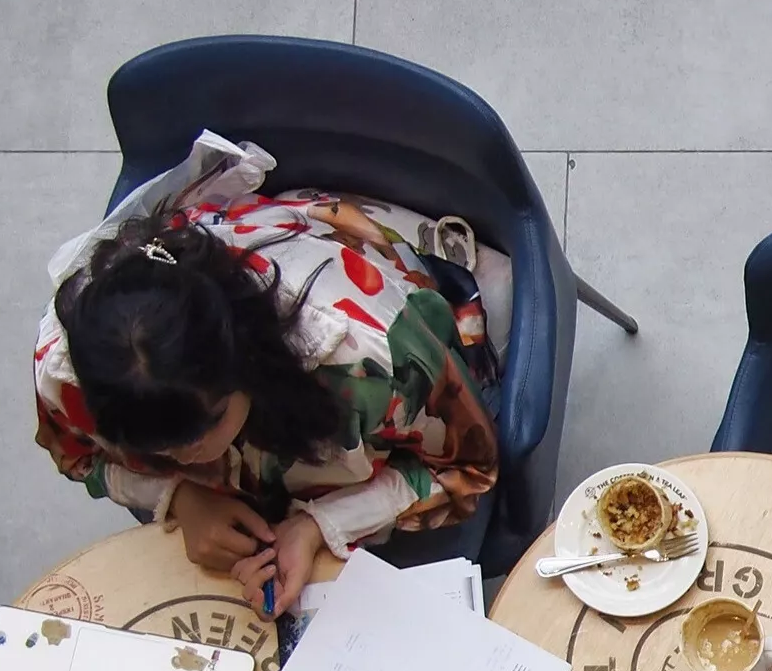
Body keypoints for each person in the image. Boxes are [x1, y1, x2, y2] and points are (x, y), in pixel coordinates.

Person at [35, 193, 500, 614]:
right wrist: (179, 497)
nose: (187, 458)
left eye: (209, 426)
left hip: (350, 305)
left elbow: (467, 467)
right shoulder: (66, 366)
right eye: (158, 451)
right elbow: (77, 456)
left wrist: (320, 526)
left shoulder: (368, 358)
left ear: (245, 356)